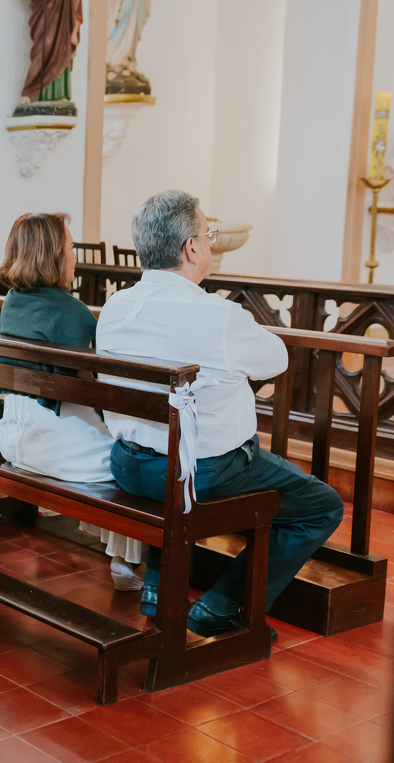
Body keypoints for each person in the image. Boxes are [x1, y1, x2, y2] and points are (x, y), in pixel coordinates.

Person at [97, 191, 344, 637]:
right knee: (321, 506)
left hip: (128, 464)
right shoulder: (219, 316)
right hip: (202, 474)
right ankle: (226, 605)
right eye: (208, 235)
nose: (209, 244)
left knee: (172, 461)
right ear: (192, 247)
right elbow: (276, 361)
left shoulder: (116, 307)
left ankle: (158, 592)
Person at [0, 213, 142, 591]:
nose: (76, 256)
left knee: (114, 445)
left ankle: (122, 557)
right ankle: (126, 562)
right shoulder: (71, 312)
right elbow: (89, 388)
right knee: (133, 467)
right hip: (43, 436)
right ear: (52, 255)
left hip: (11, 427)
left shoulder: (14, 299)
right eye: (71, 248)